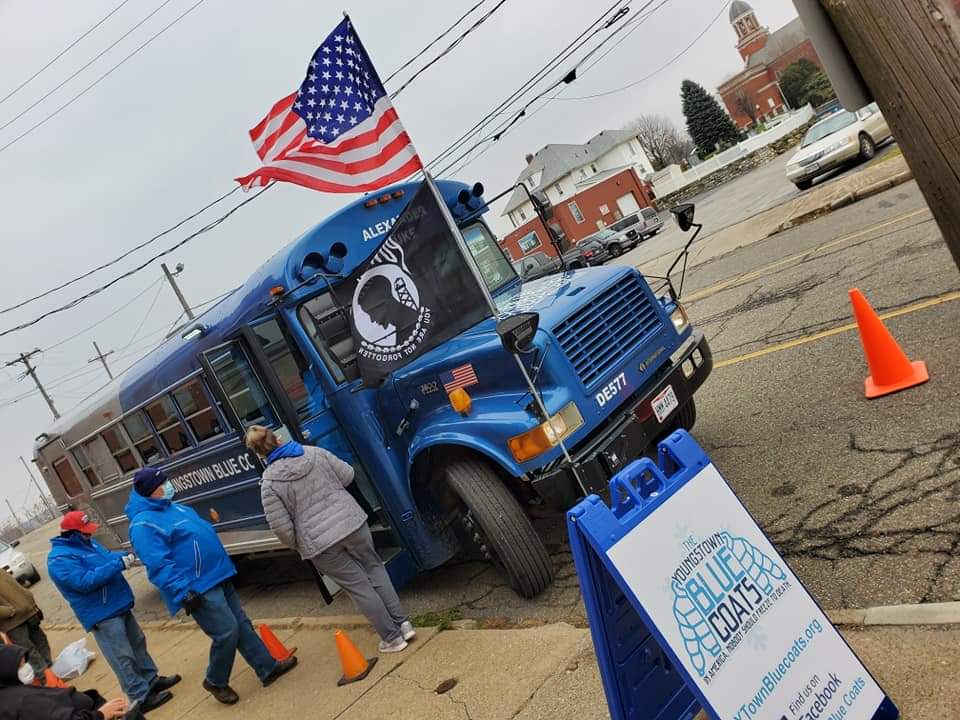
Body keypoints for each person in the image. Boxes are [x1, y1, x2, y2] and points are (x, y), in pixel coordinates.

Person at [125, 468, 297, 705]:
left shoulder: (174, 507)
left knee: (241, 624)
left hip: (217, 574)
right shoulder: (143, 525)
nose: (168, 485)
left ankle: (267, 667)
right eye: (162, 483)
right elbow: (158, 564)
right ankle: (215, 680)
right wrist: (182, 591)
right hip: (197, 587)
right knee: (226, 631)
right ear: (150, 490)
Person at [245, 425, 414, 653]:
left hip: (321, 544)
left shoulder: (269, 485)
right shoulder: (314, 453)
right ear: (278, 439)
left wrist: (302, 542)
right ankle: (403, 624)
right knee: (375, 568)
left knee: (358, 587)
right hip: (352, 523)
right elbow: (348, 474)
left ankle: (392, 639)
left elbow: (281, 529)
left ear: (259, 455)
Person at [47, 511, 180, 713]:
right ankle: (140, 697)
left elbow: (108, 557)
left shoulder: (88, 544)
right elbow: (83, 582)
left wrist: (127, 556)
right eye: (85, 532)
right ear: (72, 534)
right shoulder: (59, 558)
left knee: (137, 644)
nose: (90, 534)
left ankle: (151, 680)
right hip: (102, 614)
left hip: (118, 603)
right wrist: (118, 564)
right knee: (122, 657)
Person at [0, 644, 134, 720]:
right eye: (21, 665)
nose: (27, 668)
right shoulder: (24, 701)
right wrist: (101, 714)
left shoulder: (11, 693)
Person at [0, 559, 51, 684]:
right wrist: (9, 611)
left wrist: (29, 599)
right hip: (12, 622)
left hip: (28, 612)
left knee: (41, 642)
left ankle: (51, 673)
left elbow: (15, 587)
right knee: (29, 652)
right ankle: (47, 681)